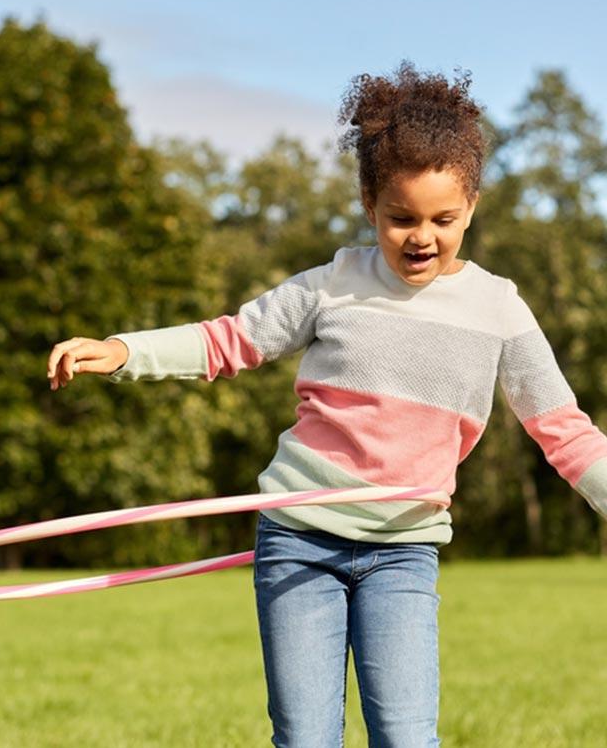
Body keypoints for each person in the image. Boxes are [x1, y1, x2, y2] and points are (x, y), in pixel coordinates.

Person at [46, 60, 607, 748]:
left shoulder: (499, 310)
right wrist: (125, 350)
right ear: (369, 203)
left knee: (406, 737)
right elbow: (232, 341)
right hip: (299, 539)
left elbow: (567, 434)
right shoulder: (333, 284)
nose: (421, 236)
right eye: (400, 218)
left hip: (403, 552)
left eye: (443, 218)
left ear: (473, 207)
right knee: (306, 739)